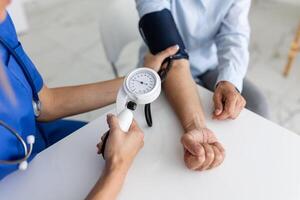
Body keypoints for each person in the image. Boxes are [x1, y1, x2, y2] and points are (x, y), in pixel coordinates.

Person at [0, 0, 178, 198]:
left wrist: (138, 81)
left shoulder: (1, 20)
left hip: (40, 140)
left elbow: (46, 104)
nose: (10, 2)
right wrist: (117, 165)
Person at [136, 0, 270, 171]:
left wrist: (229, 82)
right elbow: (173, 60)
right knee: (165, 142)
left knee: (258, 105)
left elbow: (234, 35)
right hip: (162, 68)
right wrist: (196, 127)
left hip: (207, 64)